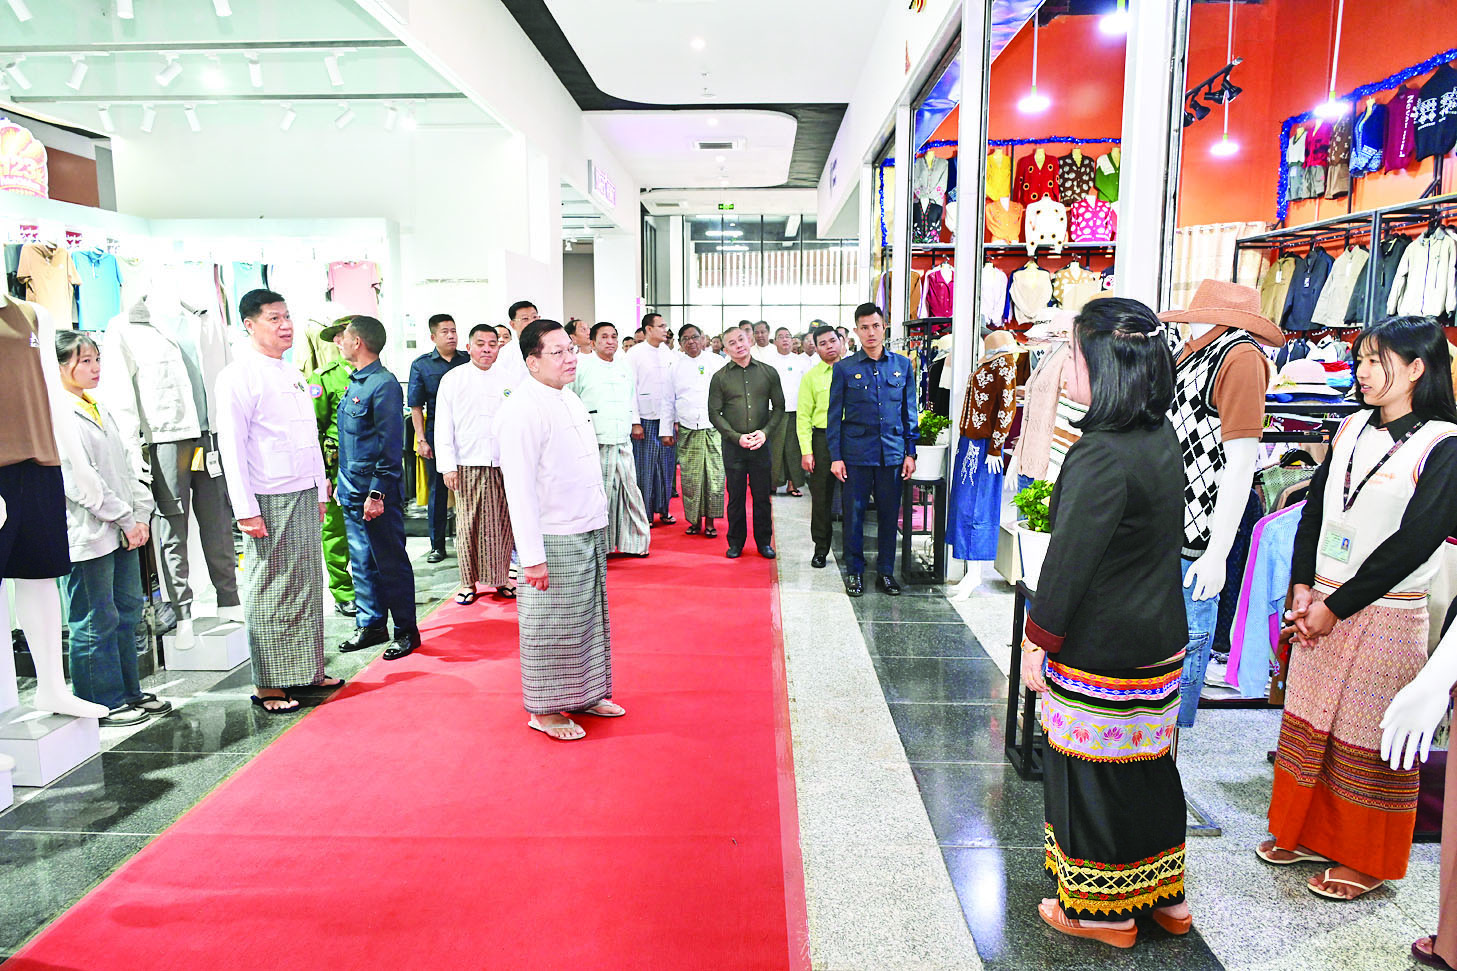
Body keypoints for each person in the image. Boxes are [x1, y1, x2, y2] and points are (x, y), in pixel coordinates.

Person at [1261, 315, 1457, 901]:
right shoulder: (1349, 426)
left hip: (1388, 610)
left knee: (1368, 737)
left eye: (1377, 361)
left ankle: (1366, 859)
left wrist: (1336, 606)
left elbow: (1414, 542)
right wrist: (1301, 585)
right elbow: (1315, 510)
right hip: (1323, 601)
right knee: (1311, 719)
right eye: (1362, 359)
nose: (1362, 371)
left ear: (1417, 369)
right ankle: (1304, 831)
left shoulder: (1443, 444)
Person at [1020, 297, 1191, 949]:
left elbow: (1068, 563)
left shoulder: (1098, 453)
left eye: (1072, 352)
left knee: (1087, 775)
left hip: (1101, 645)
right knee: (1146, 768)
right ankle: (1164, 900)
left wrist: (1037, 642)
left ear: (1105, 364)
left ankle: (1103, 913)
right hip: (1157, 638)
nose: (1064, 366)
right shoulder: (1159, 434)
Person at [496, 320, 624, 741]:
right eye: (558, 352)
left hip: (585, 526)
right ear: (532, 362)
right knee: (549, 625)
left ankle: (585, 693)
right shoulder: (522, 409)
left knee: (586, 618)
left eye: (571, 349)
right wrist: (531, 558)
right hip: (552, 535)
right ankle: (545, 709)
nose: (571, 358)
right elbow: (518, 489)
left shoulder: (568, 396)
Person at [215, 289, 341, 713]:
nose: (285, 325)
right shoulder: (237, 375)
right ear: (249, 325)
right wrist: (245, 509)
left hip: (302, 490)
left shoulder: (290, 371)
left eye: (287, 316)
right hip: (267, 495)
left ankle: (306, 670)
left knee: (306, 583)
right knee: (270, 586)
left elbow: (308, 435)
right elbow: (232, 447)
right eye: (274, 318)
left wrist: (319, 488)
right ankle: (269, 683)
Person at [55, 331, 171, 727]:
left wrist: (139, 515)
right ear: (59, 366)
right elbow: (79, 482)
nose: (95, 368)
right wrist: (125, 518)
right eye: (84, 361)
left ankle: (128, 691)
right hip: (88, 534)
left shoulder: (97, 406)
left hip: (122, 530)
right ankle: (100, 701)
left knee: (126, 611)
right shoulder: (57, 415)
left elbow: (125, 467)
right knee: (94, 618)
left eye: (96, 359)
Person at [336, 316, 421, 662]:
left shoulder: (383, 384)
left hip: (374, 493)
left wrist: (377, 493)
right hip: (351, 489)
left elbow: (390, 446)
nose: (340, 342)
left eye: (344, 337)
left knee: (390, 562)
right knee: (362, 562)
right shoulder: (355, 382)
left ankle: (405, 630)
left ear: (358, 342)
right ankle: (371, 624)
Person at [828, 303, 918, 597]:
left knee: (889, 516)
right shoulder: (844, 368)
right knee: (854, 516)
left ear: (884, 328)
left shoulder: (902, 365)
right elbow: (834, 416)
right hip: (856, 454)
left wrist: (910, 452)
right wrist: (836, 457)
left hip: (891, 453)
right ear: (856, 330)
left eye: (875, 326)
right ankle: (854, 571)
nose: (870, 333)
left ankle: (886, 572)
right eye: (864, 327)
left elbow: (909, 412)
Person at [435, 323, 515, 603]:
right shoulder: (453, 379)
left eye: (492, 344)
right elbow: (443, 424)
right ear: (468, 347)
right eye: (480, 344)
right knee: (468, 523)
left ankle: (501, 578)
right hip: (466, 462)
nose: (487, 350)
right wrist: (448, 466)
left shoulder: (510, 380)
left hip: (503, 463)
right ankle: (468, 583)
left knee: (502, 523)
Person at [571, 321, 652, 556]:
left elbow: (631, 397)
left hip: (622, 437)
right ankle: (600, 546)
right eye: (604, 337)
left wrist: (634, 422)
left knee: (629, 489)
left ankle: (635, 543)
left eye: (614, 337)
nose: (610, 341)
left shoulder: (624, 366)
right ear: (593, 342)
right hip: (595, 440)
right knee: (601, 493)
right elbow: (572, 400)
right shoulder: (582, 366)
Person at [708, 325, 783, 559]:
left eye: (741, 339)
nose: (738, 345)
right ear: (725, 348)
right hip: (734, 447)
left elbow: (779, 408)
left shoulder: (768, 372)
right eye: (732, 343)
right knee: (736, 497)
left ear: (749, 340)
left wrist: (765, 433)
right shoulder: (719, 378)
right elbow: (714, 413)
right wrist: (735, 437)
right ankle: (735, 543)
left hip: (761, 444)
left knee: (762, 497)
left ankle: (764, 542)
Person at [305, 316, 357, 617]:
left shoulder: (375, 373)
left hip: (368, 466)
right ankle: (343, 591)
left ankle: (370, 586)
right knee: (336, 531)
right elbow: (315, 428)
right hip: (336, 465)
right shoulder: (323, 377)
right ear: (338, 340)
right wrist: (322, 474)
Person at [407, 313, 466, 563]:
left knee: (469, 489)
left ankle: (469, 543)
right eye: (445, 332)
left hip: (467, 433)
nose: (451, 335)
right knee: (438, 490)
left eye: (454, 330)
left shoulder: (467, 360)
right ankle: (437, 545)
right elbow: (416, 406)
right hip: (436, 435)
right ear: (433, 337)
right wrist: (421, 440)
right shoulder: (422, 365)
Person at [672, 324, 726, 537]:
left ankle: (711, 521)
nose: (691, 342)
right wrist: (667, 429)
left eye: (694, 337)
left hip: (713, 428)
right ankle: (694, 521)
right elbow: (668, 400)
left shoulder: (717, 362)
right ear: (680, 343)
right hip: (688, 428)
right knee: (691, 478)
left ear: (703, 338)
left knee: (714, 476)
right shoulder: (675, 366)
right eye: (686, 339)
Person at [627, 313, 678, 527]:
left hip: (666, 418)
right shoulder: (635, 354)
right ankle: (646, 514)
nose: (665, 329)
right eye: (661, 326)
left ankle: (663, 509)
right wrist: (635, 421)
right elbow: (630, 389)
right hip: (645, 419)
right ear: (648, 329)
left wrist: (675, 420)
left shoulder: (669, 353)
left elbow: (674, 389)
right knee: (646, 468)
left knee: (666, 466)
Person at [798, 325, 843, 568]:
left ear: (841, 341)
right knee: (821, 498)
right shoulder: (811, 377)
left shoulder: (854, 371)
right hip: (822, 439)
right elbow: (803, 417)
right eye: (823, 343)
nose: (829, 347)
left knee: (853, 497)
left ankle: (852, 550)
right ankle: (821, 549)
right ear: (815, 348)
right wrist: (807, 451)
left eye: (832, 341)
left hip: (851, 438)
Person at [768, 326, 809, 496]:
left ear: (792, 341)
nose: (785, 339)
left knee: (794, 449)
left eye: (787, 336)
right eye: (781, 336)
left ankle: (793, 484)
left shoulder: (801, 361)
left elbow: (808, 387)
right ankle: (772, 483)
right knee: (775, 449)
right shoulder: (769, 362)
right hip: (774, 411)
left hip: (796, 411)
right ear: (775, 341)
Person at [496, 300, 539, 387]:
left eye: (534, 317)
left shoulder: (550, 346)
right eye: (525, 319)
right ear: (513, 324)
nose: (532, 322)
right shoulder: (505, 353)